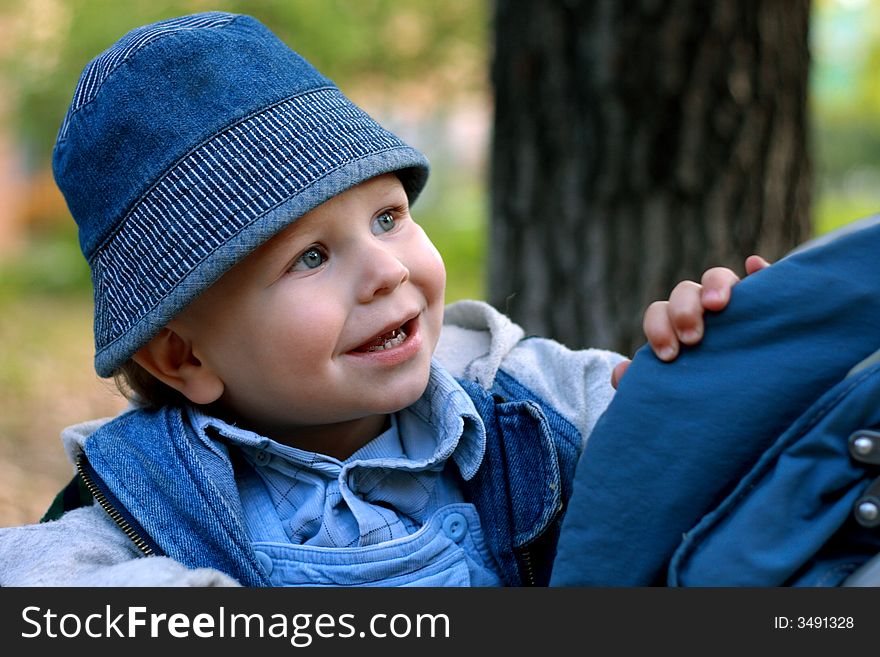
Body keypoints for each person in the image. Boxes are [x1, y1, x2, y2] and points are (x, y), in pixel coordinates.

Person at [0, 12, 754, 587]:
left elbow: (703, 445)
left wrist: (720, 357)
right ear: (183, 354)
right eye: (312, 257)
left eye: (388, 218)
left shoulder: (533, 406)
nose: (386, 271)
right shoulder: (151, 511)